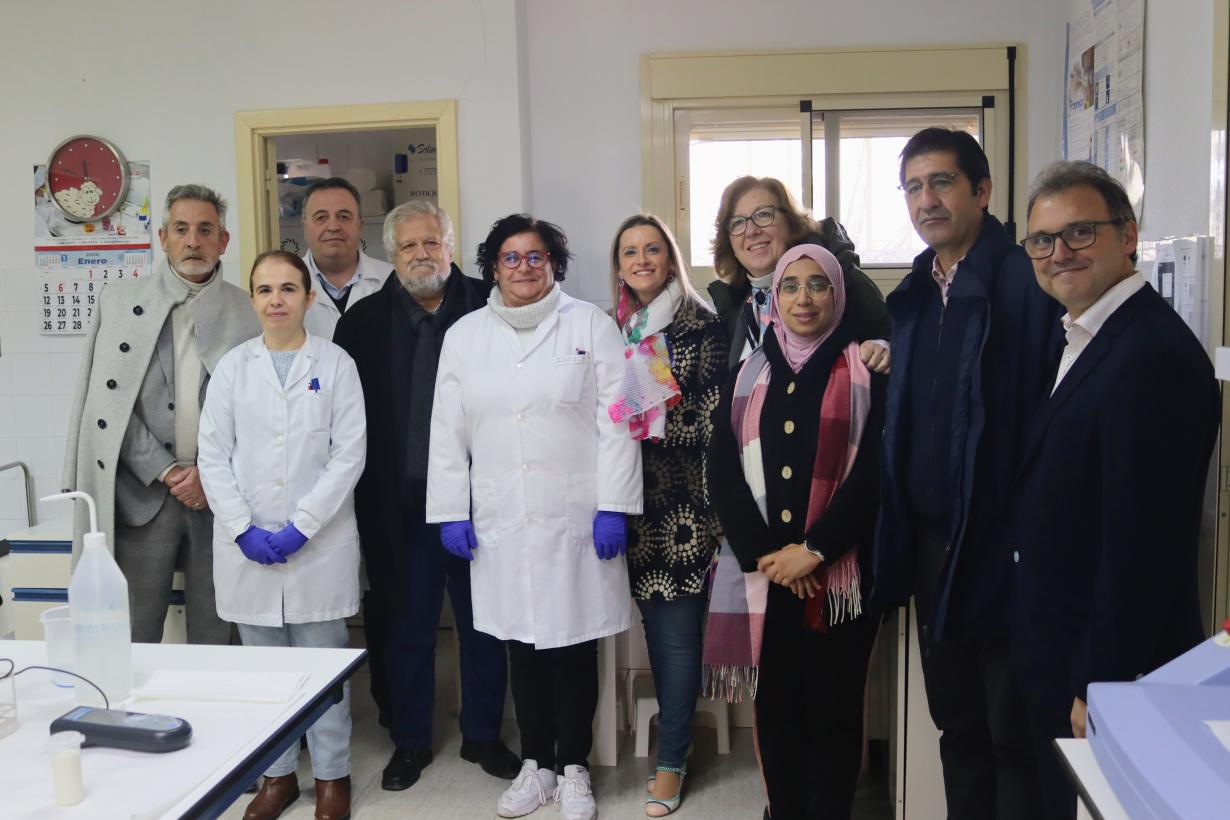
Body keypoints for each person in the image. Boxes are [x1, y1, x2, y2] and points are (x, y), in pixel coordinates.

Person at [1010, 161, 1219, 819]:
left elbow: (1142, 545)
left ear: (1127, 236)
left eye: (1080, 232)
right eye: (1042, 240)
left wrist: (1097, 683)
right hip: (1064, 651)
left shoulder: (1150, 355)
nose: (1058, 253)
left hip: (1107, 674)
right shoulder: (1084, 334)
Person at [872, 127, 1063, 820]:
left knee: (1014, 736)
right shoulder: (918, 291)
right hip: (932, 550)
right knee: (957, 727)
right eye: (913, 187)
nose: (926, 200)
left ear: (982, 191)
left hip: (1003, 549)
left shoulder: (1027, 283)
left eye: (942, 182)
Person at [426, 214, 642, 820]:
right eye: (511, 257)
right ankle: (536, 764)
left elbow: (619, 421)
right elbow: (447, 430)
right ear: (493, 267)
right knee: (520, 644)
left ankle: (573, 768)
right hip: (502, 516)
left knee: (574, 645)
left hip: (576, 516)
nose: (524, 267)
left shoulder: (591, 325)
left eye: (536, 256)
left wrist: (614, 505)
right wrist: (451, 511)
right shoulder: (465, 336)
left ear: (554, 264)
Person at [332, 201, 520, 790]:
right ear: (391, 254)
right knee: (407, 629)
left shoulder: (492, 307)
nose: (421, 254)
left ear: (450, 246)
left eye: (432, 243)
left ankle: (483, 735)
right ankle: (410, 742)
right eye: (409, 245)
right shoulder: (361, 323)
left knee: (483, 625)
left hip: (479, 504)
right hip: (398, 505)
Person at [707, 244, 886, 820]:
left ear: (838, 295)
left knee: (834, 710)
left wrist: (814, 551)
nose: (803, 299)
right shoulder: (746, 374)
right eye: (790, 286)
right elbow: (722, 471)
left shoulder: (866, 372)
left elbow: (875, 474)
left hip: (838, 579)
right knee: (776, 708)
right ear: (774, 297)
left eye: (817, 285)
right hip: (768, 578)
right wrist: (770, 557)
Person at [197, 250, 365, 820]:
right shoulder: (232, 368)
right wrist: (242, 529)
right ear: (252, 299)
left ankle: (332, 776)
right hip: (247, 548)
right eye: (265, 290)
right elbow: (212, 457)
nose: (276, 300)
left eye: (288, 289)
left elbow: (349, 455)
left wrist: (302, 527)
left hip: (318, 546)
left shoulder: (336, 364)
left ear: (308, 298)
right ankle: (277, 775)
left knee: (324, 670)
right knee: (265, 673)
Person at [62, 184, 259, 644]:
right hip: (141, 495)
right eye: (182, 229)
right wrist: (167, 470)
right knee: (132, 632)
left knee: (220, 631)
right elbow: (106, 405)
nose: (193, 241)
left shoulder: (248, 308)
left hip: (221, 496)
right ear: (163, 237)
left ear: (223, 241)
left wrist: (208, 475)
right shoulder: (118, 300)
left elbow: (258, 410)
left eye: (205, 230)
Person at [606, 214, 728, 816]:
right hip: (625, 502)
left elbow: (711, 419)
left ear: (670, 257)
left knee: (675, 638)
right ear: (618, 265)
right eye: (629, 251)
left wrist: (637, 409)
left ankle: (671, 759)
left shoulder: (701, 324)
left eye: (652, 249)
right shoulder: (615, 326)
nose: (641, 260)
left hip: (682, 507)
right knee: (645, 628)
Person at [707, 175, 891, 373]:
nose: (751, 231)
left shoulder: (844, 282)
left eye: (763, 215)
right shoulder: (734, 310)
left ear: (791, 223)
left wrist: (885, 346)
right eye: (737, 223)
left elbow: (893, 338)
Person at [301, 177, 390, 338]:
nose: (333, 227)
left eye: (343, 217)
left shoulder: (393, 280)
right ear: (305, 227)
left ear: (360, 226)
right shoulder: (281, 285)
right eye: (321, 217)